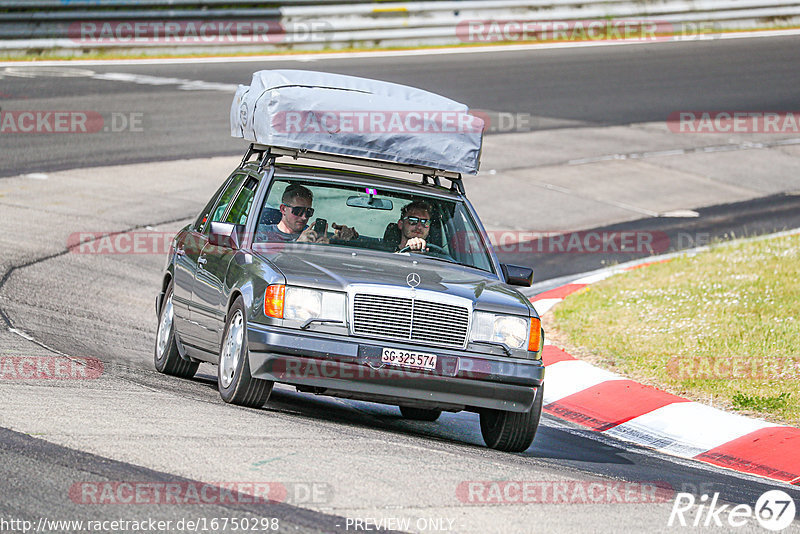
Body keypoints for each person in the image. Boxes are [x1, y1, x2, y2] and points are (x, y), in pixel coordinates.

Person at [260, 183, 357, 243]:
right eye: (298, 211)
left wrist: (344, 239)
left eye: (308, 212)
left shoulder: (314, 236)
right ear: (283, 209)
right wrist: (298, 246)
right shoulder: (261, 234)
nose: (304, 217)